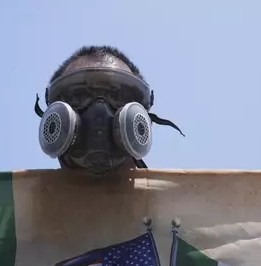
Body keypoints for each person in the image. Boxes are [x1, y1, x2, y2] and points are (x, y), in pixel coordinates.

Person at [34, 46, 184, 176]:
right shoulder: (17, 205)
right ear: (54, 116)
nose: (99, 111)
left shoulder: (183, 206)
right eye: (78, 96)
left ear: (142, 119)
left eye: (118, 96)